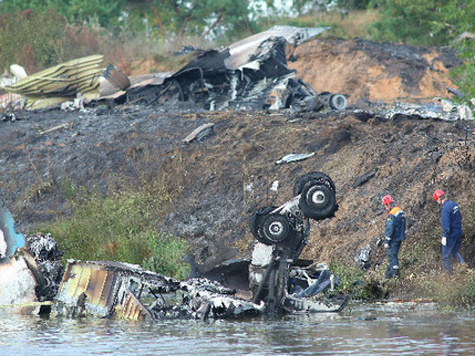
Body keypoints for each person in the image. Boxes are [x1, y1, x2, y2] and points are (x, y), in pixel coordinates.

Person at [433, 190, 466, 274]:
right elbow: (459, 218)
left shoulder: (445, 209)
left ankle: (449, 275)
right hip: (458, 231)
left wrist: (445, 236)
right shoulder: (454, 204)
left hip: (451, 234)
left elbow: (446, 225)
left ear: (439, 199)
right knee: (455, 251)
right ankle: (464, 266)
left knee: (446, 254)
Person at [381, 195, 406, 279]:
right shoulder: (400, 211)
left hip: (393, 239)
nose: (385, 208)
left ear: (388, 204)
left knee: (392, 256)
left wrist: (387, 240)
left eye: (385, 205)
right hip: (399, 237)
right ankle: (387, 276)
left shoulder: (392, 214)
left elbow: (389, 228)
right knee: (390, 257)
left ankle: (395, 275)